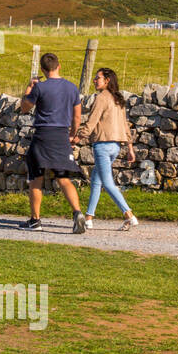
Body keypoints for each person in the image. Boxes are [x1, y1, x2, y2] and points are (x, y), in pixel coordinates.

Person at [17, 52, 86, 233]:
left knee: (35, 178)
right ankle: (77, 212)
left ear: (42, 69)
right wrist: (72, 134)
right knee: (63, 178)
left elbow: (24, 108)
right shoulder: (72, 88)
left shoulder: (40, 88)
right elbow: (77, 115)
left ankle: (35, 220)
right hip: (61, 135)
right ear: (59, 66)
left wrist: (29, 88)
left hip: (42, 136)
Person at [76, 67, 139, 232]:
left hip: (103, 146)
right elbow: (125, 126)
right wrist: (130, 148)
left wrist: (77, 137)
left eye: (98, 78)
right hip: (115, 147)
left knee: (107, 183)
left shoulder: (101, 98)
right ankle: (89, 218)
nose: (95, 80)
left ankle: (129, 215)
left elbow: (91, 122)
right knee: (96, 181)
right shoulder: (118, 99)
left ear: (107, 80)